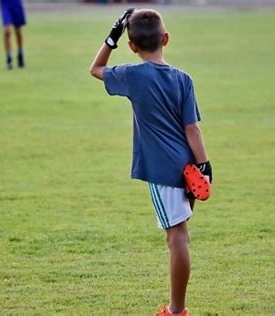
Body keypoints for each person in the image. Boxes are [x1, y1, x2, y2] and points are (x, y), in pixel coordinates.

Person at [89, 8, 212, 316]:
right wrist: (205, 166)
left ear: (132, 46)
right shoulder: (183, 78)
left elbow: (96, 68)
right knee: (180, 234)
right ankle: (176, 308)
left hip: (162, 170)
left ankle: (176, 311)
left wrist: (112, 35)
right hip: (187, 167)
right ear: (165, 39)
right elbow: (192, 129)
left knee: (177, 238)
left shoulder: (131, 75)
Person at [0, 0, 26, 69]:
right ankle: (9, 57)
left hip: (16, 2)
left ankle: (20, 53)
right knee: (6, 31)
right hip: (5, 3)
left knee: (18, 29)